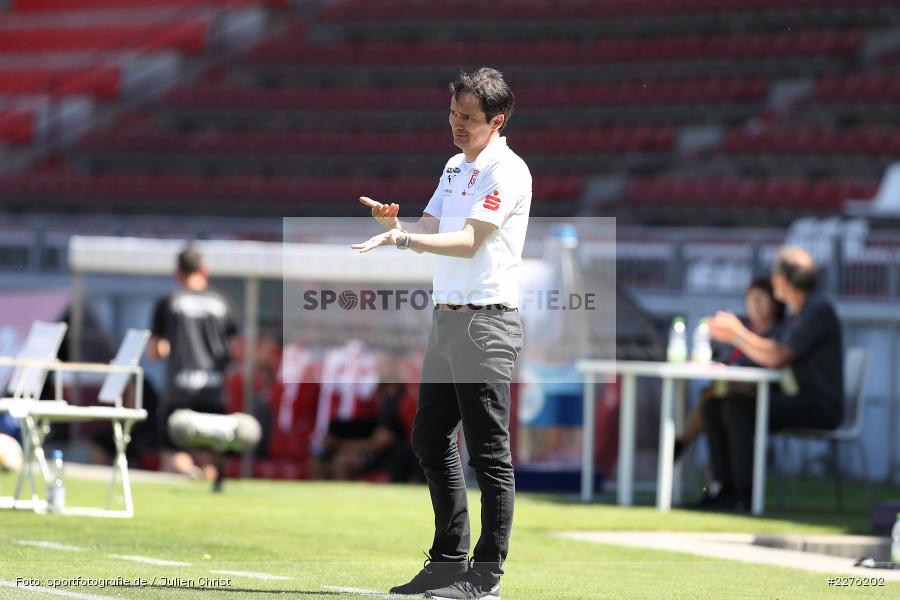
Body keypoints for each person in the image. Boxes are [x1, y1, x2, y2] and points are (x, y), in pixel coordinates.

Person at [352, 67, 529, 600]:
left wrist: (404, 242)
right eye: (453, 113)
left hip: (486, 322)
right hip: (448, 319)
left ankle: (486, 575)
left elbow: (469, 242)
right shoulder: (456, 166)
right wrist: (396, 226)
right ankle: (450, 559)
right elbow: (433, 228)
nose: (456, 124)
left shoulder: (509, 171)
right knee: (429, 438)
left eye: (469, 118)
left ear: (497, 121)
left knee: (488, 452)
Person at [702, 246, 844, 510]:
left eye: (776, 275)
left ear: (785, 280)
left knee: (736, 408)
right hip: (799, 398)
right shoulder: (802, 311)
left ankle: (743, 497)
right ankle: (721, 490)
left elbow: (777, 356)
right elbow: (772, 355)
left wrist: (738, 335)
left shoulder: (816, 310)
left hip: (819, 405)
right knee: (714, 406)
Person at [149, 247, 240, 481]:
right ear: (204, 270)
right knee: (208, 454)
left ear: (178, 273)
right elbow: (237, 350)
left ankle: (189, 474)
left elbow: (156, 350)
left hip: (179, 391)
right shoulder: (222, 302)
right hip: (212, 390)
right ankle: (207, 495)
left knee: (173, 453)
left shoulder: (169, 302)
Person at [673, 276, 786, 461]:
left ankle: (681, 444)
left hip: (762, 397)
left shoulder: (780, 332)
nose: (755, 305)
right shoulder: (742, 328)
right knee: (713, 404)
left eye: (761, 299)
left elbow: (771, 362)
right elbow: (723, 357)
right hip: (729, 393)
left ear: (775, 302)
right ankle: (714, 484)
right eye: (751, 299)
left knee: (716, 404)